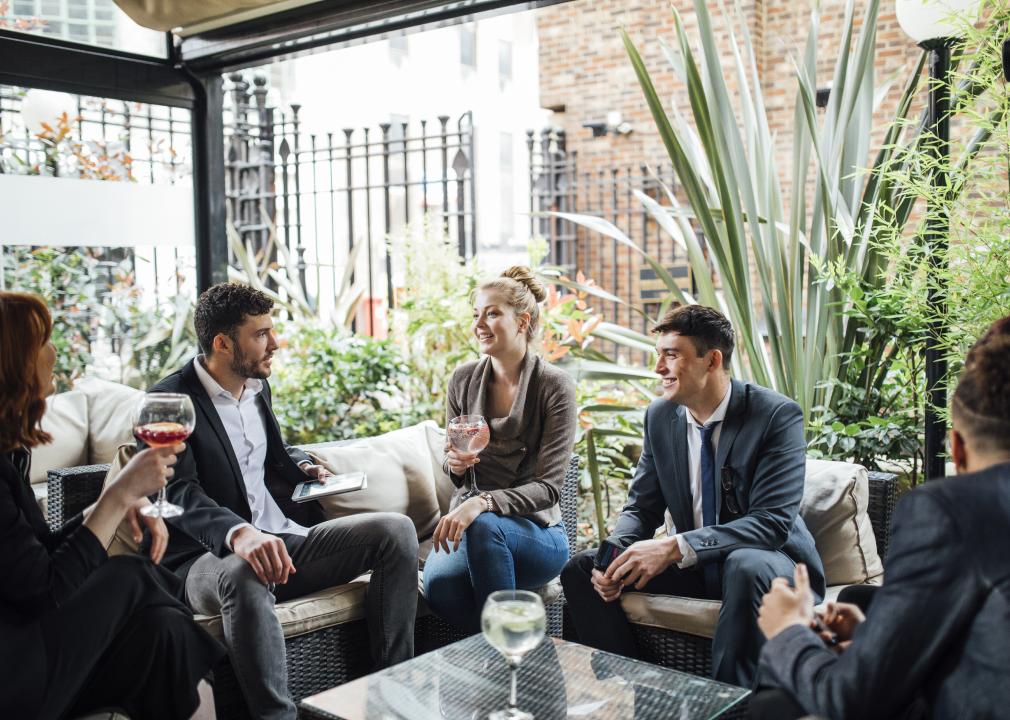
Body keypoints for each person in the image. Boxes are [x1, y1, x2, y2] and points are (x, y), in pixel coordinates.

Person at [149, 283, 419, 720]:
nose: (275, 343)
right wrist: (239, 534)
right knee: (244, 568)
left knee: (395, 531)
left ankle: (392, 690)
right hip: (205, 561)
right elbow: (177, 492)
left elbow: (260, 456)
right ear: (222, 343)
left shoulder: (256, 387)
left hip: (283, 541)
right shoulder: (168, 401)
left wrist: (303, 466)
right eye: (261, 334)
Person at [753, 317, 1010, 720]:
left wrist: (788, 629)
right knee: (859, 599)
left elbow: (846, 701)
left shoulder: (948, 510)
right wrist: (879, 636)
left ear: (956, 447)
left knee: (774, 701)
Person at [561, 304, 825, 687]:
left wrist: (672, 547)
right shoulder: (660, 417)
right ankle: (642, 687)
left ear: (712, 360)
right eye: (658, 355)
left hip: (773, 566)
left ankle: (728, 705)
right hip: (699, 567)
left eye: (671, 355)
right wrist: (616, 554)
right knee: (583, 570)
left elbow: (772, 524)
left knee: (745, 564)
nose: (658, 368)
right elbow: (642, 505)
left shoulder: (774, 416)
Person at [0, 291, 224, 720]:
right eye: (44, 340)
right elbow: (45, 589)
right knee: (134, 573)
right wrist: (120, 492)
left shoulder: (11, 452)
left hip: (30, 648)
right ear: (15, 362)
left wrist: (110, 505)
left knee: (165, 629)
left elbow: (38, 555)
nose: (54, 350)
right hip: (15, 671)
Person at [422, 266, 576, 633]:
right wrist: (456, 465)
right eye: (476, 314)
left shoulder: (555, 387)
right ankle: (512, 651)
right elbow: (455, 470)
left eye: (492, 313)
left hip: (537, 534)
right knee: (440, 587)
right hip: (474, 527)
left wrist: (483, 502)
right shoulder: (462, 379)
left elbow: (549, 488)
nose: (479, 324)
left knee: (484, 526)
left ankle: (503, 659)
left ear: (522, 322)